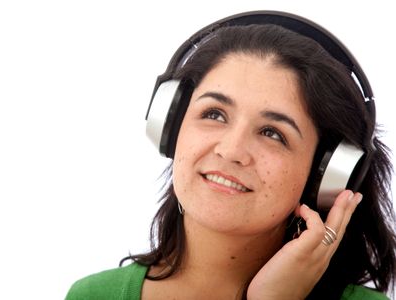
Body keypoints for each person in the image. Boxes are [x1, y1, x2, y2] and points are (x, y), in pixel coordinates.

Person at [65, 11, 396, 299]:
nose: (232, 150)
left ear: (326, 174)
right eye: (214, 114)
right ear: (169, 124)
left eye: (273, 133)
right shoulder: (93, 296)